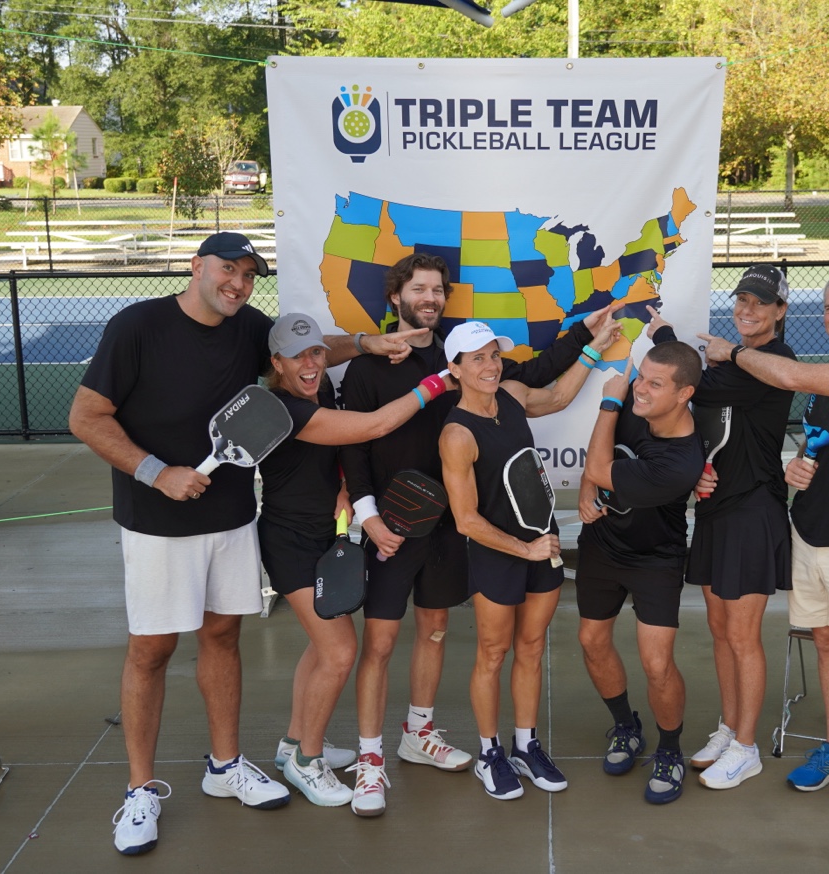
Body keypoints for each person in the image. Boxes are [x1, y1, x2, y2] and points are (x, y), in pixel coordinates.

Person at [68, 232, 422, 855]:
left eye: (248, 274)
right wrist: (157, 472)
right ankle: (139, 790)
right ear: (197, 266)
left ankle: (226, 766)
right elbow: (86, 416)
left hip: (231, 520)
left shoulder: (248, 326)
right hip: (155, 524)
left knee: (223, 638)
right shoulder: (138, 326)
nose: (237, 282)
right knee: (150, 652)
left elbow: (307, 349)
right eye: (227, 269)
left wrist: (367, 343)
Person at [339, 252, 617, 815]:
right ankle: (371, 762)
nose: (430, 298)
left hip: (448, 530)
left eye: (438, 290)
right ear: (396, 297)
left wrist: (587, 340)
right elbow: (355, 447)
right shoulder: (372, 367)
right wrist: (367, 517)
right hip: (393, 526)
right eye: (419, 289)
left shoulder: (481, 373)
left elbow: (541, 383)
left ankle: (421, 734)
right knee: (383, 643)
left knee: (437, 632)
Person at [697, 269, 829, 815]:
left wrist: (731, 352)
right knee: (828, 644)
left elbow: (791, 376)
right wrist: (800, 467)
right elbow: (826, 446)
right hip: (810, 533)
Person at [256, 313, 451, 814]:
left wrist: (343, 486)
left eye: (317, 353)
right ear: (275, 363)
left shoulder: (316, 391)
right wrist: (436, 382)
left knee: (321, 649)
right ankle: (308, 761)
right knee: (340, 652)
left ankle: (292, 744)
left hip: (324, 536)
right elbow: (375, 425)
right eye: (297, 356)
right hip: (290, 544)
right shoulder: (283, 409)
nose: (311, 363)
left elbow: (333, 456)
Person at [439, 320, 611, 801]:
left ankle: (525, 745)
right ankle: (490, 754)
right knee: (494, 653)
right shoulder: (457, 434)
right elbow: (466, 520)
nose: (490, 365)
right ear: (454, 369)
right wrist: (524, 549)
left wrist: (593, 351)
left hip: (542, 546)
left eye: (493, 354)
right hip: (501, 554)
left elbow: (556, 398)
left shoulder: (512, 394)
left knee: (531, 648)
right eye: (477, 358)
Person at [646, 264, 796, 792]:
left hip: (754, 512)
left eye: (760, 303)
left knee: (742, 634)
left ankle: (748, 748)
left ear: (780, 311)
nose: (747, 310)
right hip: (713, 507)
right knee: (718, 631)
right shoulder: (740, 359)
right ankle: (730, 730)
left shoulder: (774, 361)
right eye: (742, 300)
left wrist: (665, 338)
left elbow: (699, 388)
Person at [575, 342, 704, 804]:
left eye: (654, 383)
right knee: (591, 641)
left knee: (657, 664)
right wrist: (587, 489)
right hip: (603, 545)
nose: (640, 389)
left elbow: (600, 463)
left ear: (684, 393)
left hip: (656, 558)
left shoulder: (681, 461)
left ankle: (670, 750)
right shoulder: (635, 402)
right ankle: (626, 726)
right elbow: (599, 453)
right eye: (640, 377)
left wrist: (610, 401)